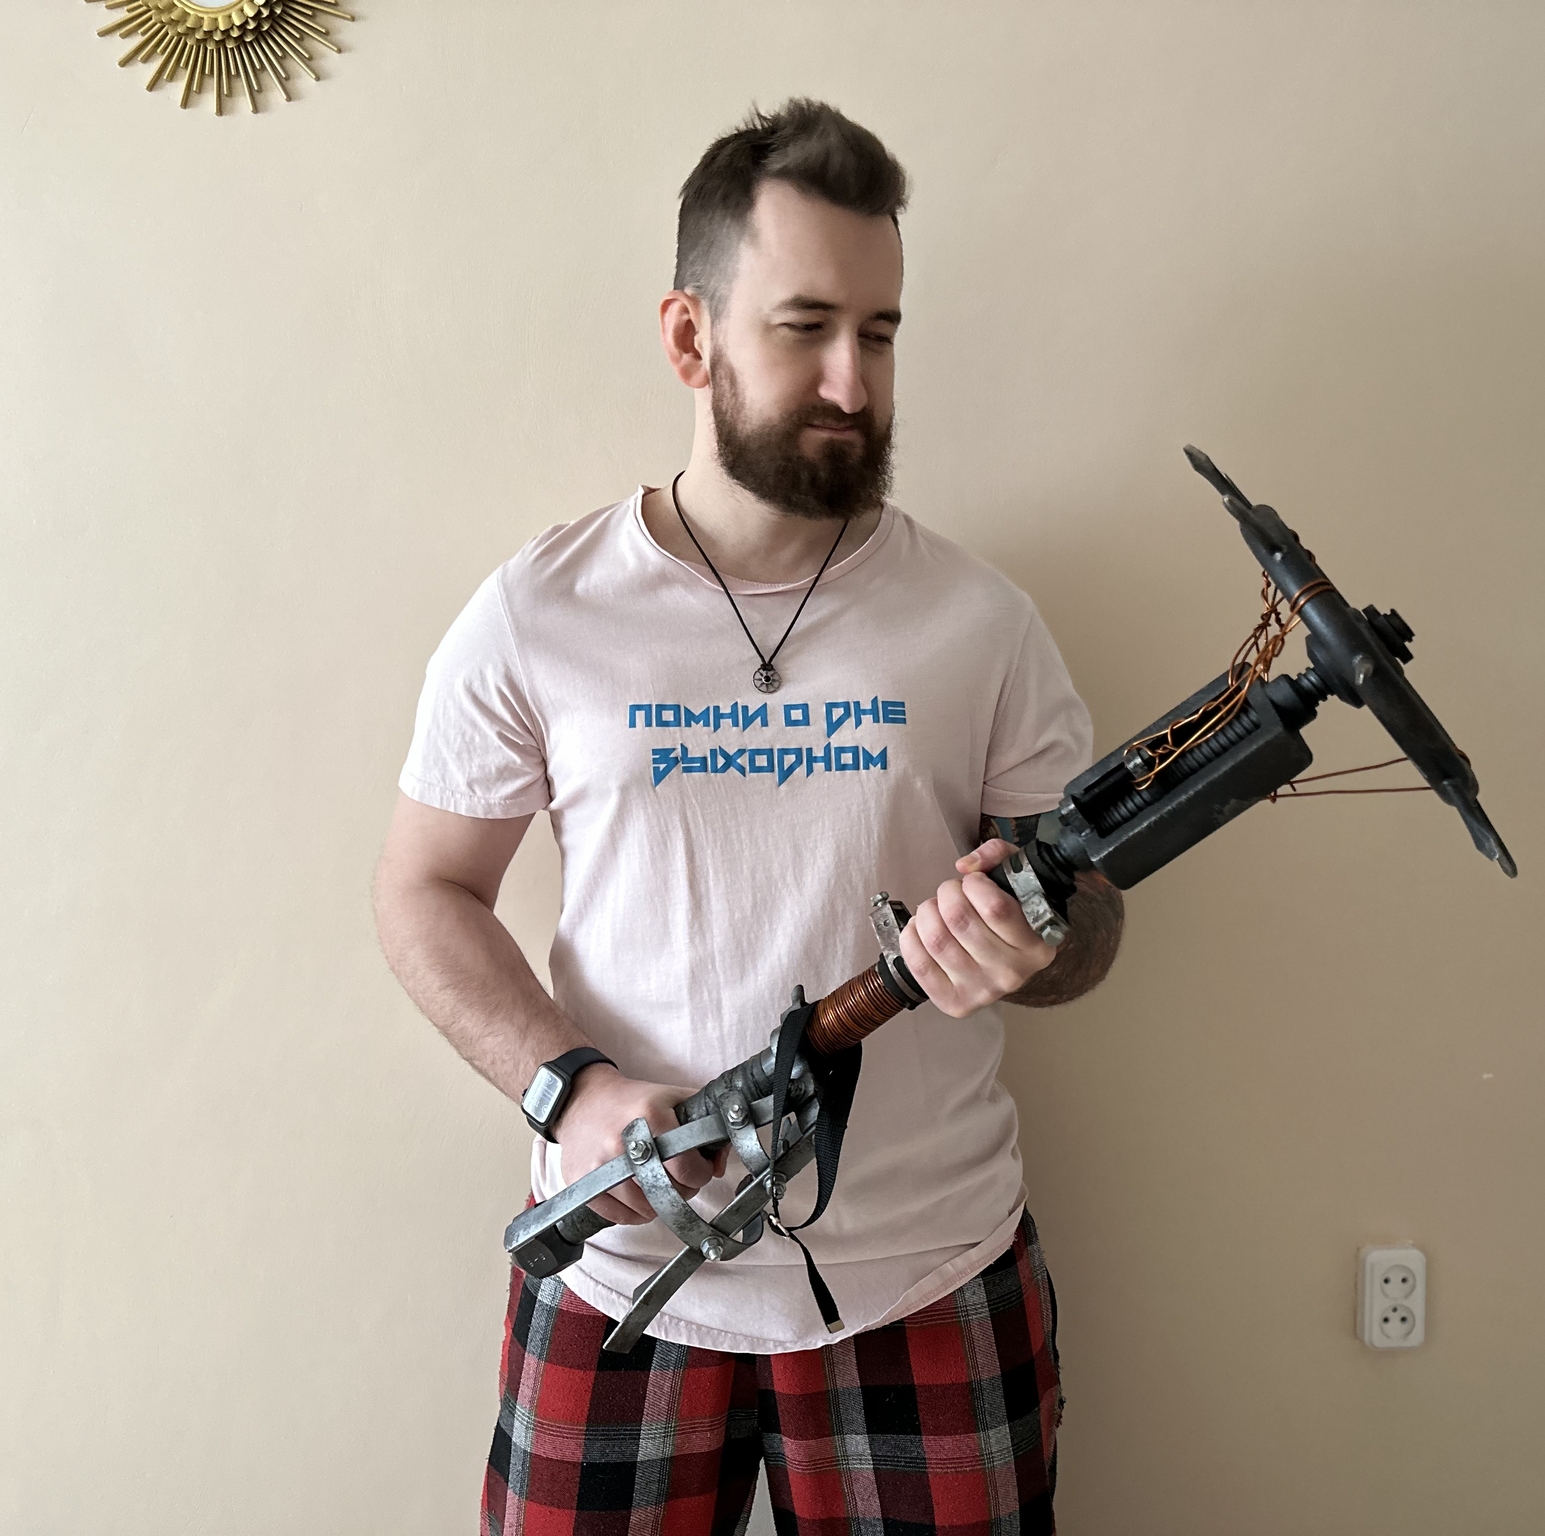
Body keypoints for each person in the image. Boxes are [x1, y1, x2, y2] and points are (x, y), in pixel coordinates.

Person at [373, 98, 1124, 1536]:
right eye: (806, 327)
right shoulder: (541, 611)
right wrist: (568, 1091)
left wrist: (1042, 947)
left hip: (929, 1271)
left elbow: (1087, 914)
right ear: (689, 336)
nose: (853, 380)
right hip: (622, 1273)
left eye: (881, 333)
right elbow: (423, 890)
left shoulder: (981, 623)